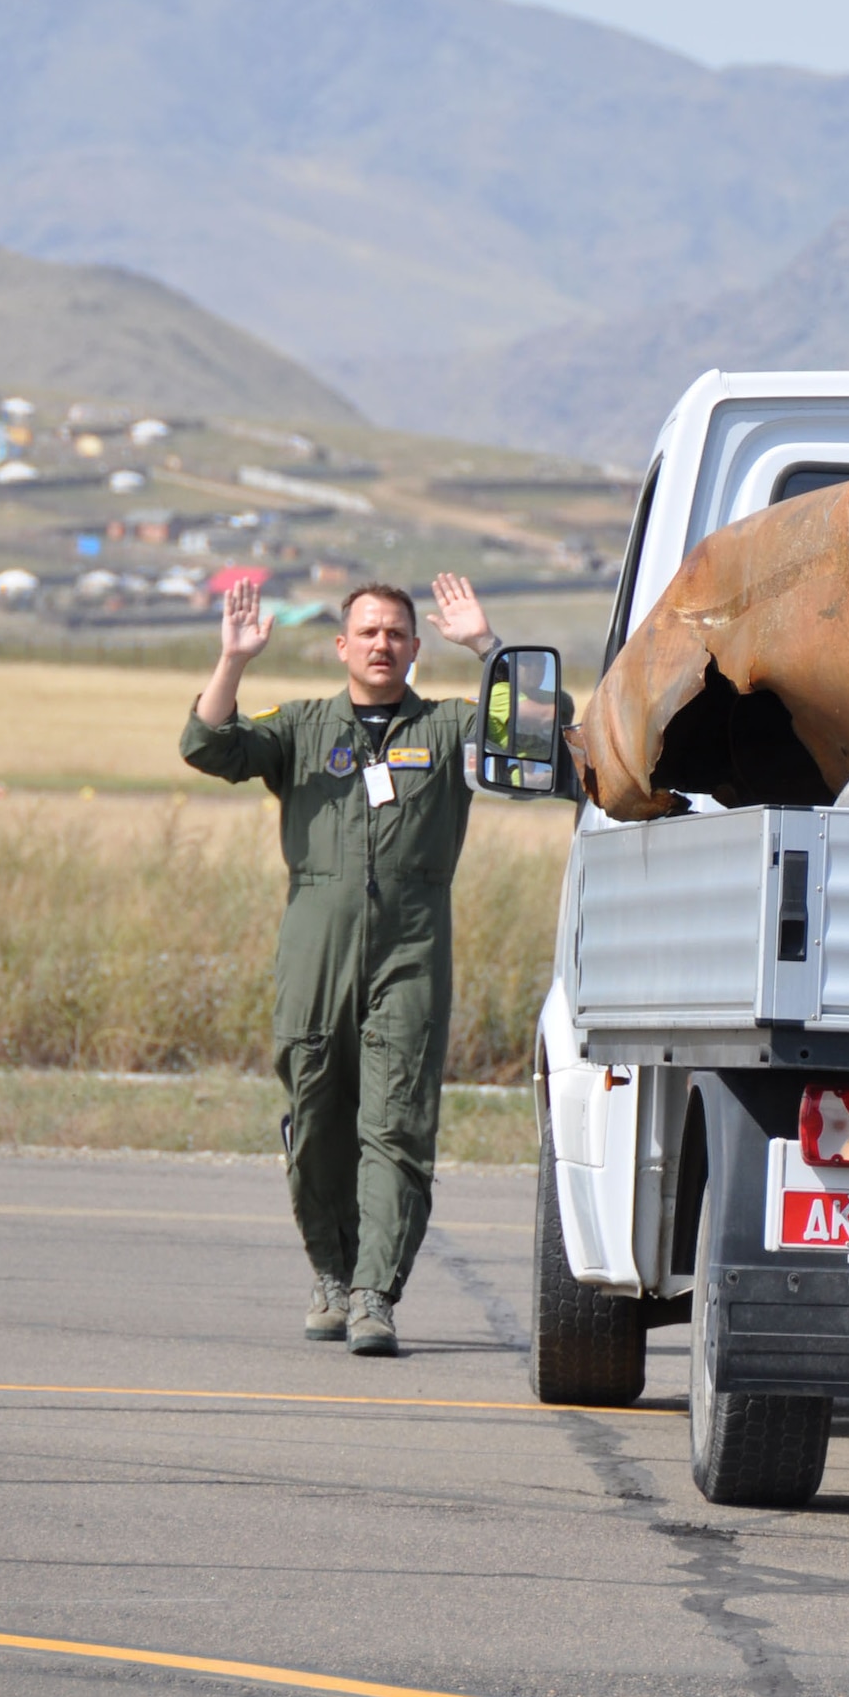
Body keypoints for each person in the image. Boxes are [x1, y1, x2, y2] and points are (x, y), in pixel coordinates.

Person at [181, 573, 500, 1355]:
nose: (382, 643)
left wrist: (490, 650)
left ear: (416, 646)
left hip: (412, 947)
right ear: (342, 646)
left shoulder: (452, 728)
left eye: (396, 632)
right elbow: (206, 746)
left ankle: (373, 1296)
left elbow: (535, 740)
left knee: (396, 1126)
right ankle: (329, 1274)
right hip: (314, 945)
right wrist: (233, 661)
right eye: (368, 632)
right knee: (316, 1115)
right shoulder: (299, 726)